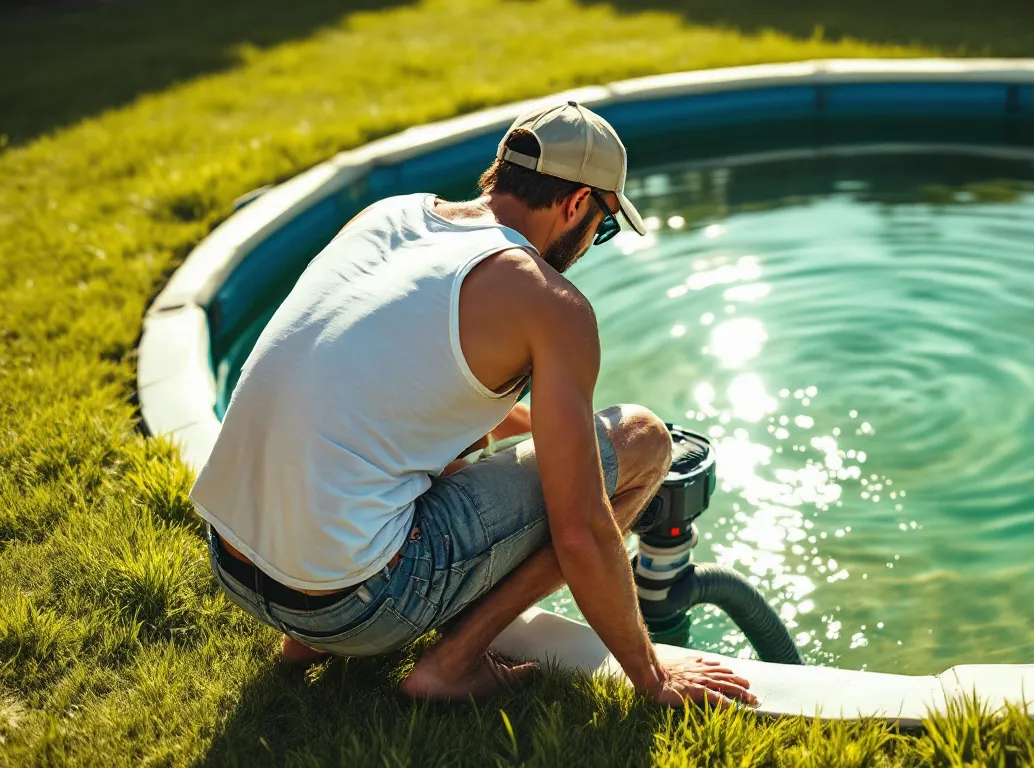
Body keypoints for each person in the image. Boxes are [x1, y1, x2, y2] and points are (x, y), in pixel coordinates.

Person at [189, 101, 757, 707]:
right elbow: (580, 528)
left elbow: (363, 392)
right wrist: (655, 678)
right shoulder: (549, 302)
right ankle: (452, 664)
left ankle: (302, 644)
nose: (592, 242)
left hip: (231, 559)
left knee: (394, 449)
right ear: (574, 205)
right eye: (603, 224)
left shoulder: (392, 216)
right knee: (643, 439)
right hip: (354, 606)